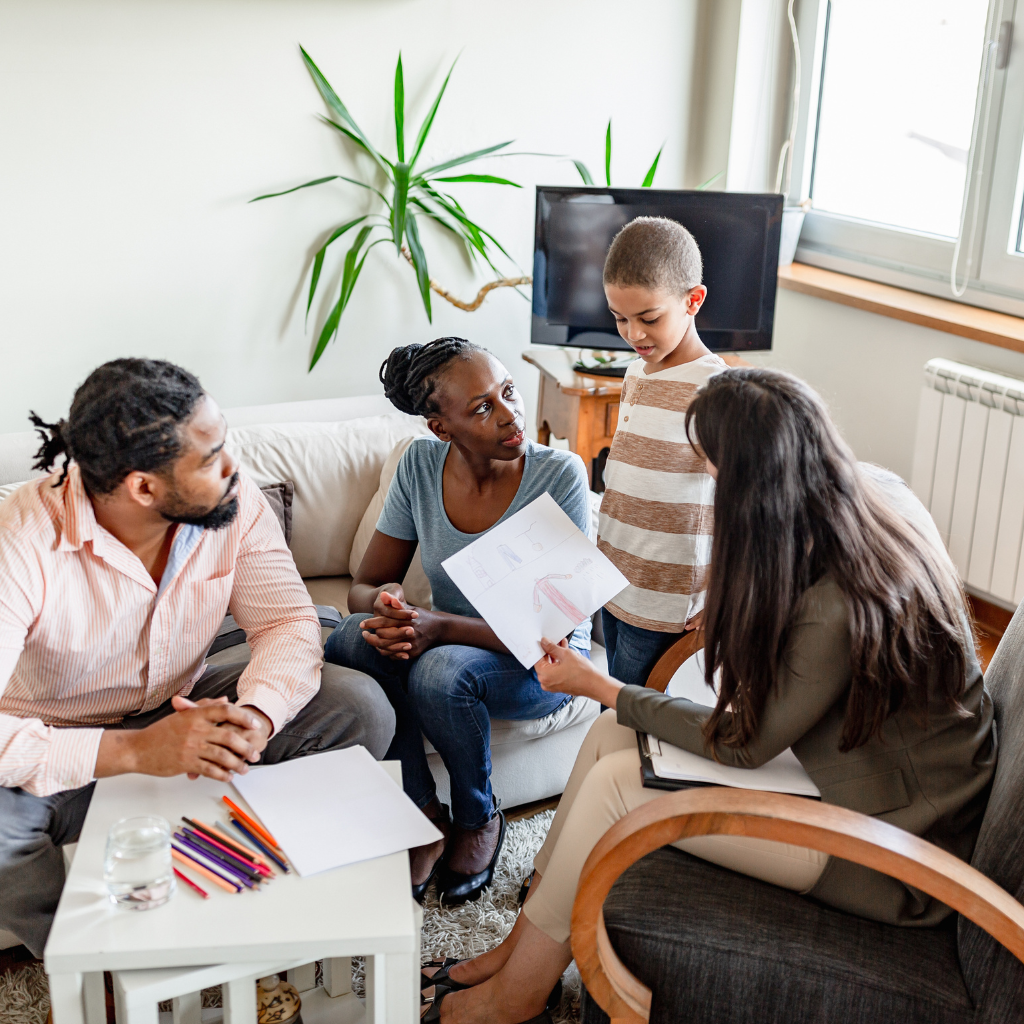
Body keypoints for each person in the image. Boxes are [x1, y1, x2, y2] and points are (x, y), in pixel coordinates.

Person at [427, 368, 996, 1024]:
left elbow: (745, 743)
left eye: (715, 469)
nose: (710, 485)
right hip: (856, 782)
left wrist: (600, 685)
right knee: (613, 735)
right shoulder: (852, 513)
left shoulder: (838, 599)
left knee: (619, 782)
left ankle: (514, 997)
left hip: (894, 849)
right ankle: (521, 948)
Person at [0, 359, 395, 957]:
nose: (234, 467)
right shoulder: (20, 540)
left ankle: (264, 904)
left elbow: (288, 621)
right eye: (211, 457)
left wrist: (256, 717)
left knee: (358, 705)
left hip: (185, 700)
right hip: (58, 740)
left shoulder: (234, 503)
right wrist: (133, 750)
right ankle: (85, 964)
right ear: (143, 487)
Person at [324, 337, 592, 905]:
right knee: (350, 639)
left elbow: (552, 630)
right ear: (441, 428)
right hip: (445, 636)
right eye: (481, 408)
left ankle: (477, 817)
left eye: (509, 393)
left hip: (542, 661)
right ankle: (421, 814)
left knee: (441, 672)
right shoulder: (420, 466)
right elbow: (363, 587)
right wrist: (389, 608)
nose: (509, 415)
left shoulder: (558, 476)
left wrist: (436, 626)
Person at [597, 216, 726, 686]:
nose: (633, 334)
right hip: (613, 578)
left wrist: (726, 596)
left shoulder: (714, 389)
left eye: (649, 318)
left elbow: (741, 503)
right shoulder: (636, 372)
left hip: (664, 597)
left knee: (635, 717)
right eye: (620, 318)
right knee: (613, 695)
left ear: (693, 300)